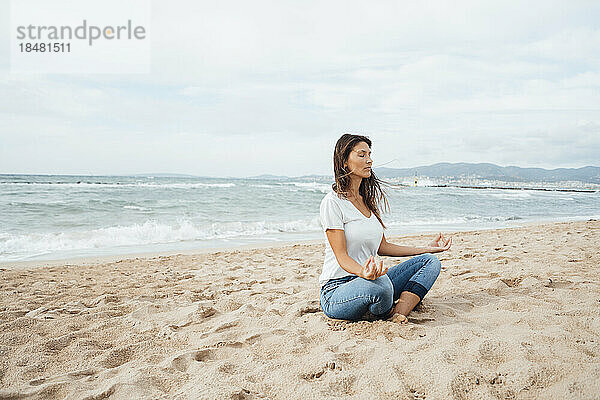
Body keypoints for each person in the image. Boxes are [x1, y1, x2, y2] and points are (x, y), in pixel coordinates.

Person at [319, 134, 452, 323]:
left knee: (430, 262)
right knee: (381, 286)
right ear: (344, 162)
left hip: (371, 280)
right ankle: (384, 307)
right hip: (338, 290)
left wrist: (425, 248)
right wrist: (363, 273)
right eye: (362, 155)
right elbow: (342, 257)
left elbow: (383, 247)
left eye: (370, 155)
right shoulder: (332, 202)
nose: (369, 160)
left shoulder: (367, 202)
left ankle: (399, 313)